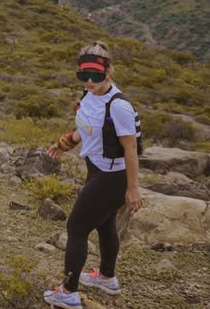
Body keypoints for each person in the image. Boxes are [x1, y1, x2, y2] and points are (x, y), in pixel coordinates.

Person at [43, 41, 143, 309]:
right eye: (83, 75)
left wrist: (132, 188)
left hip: (113, 176)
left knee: (76, 228)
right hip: (97, 169)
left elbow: (130, 148)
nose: (89, 81)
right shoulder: (88, 96)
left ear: (108, 71)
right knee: (104, 223)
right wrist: (63, 144)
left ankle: (68, 292)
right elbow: (84, 129)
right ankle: (107, 278)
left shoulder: (118, 105)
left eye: (95, 76)